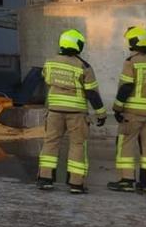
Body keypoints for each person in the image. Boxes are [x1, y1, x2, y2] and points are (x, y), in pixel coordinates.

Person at [37, 29, 106, 194]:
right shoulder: (84, 66)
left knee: (50, 143)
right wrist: (101, 113)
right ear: (78, 46)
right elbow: (92, 93)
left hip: (54, 112)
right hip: (76, 114)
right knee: (77, 145)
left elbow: (46, 79)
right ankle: (76, 184)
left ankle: (45, 179)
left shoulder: (50, 62)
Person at [107, 25, 146, 194]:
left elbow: (126, 87)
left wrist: (117, 108)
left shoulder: (131, 62)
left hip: (132, 113)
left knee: (125, 144)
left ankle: (126, 180)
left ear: (133, 43)